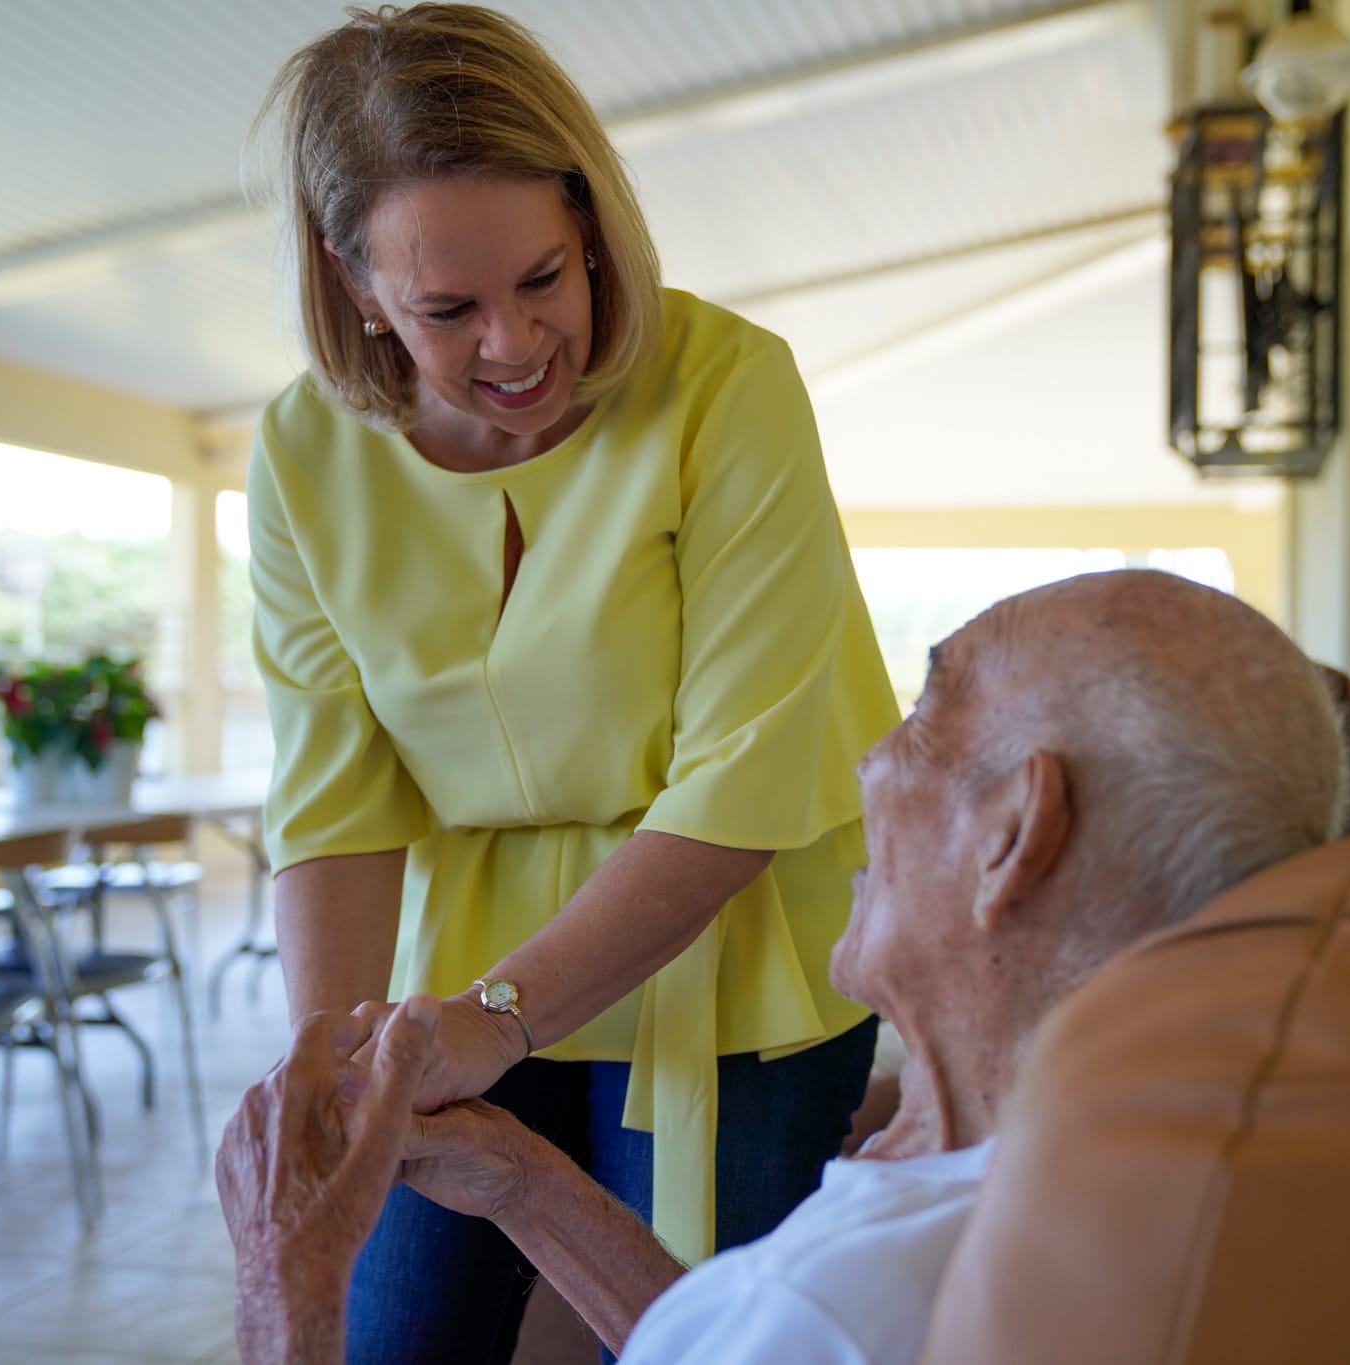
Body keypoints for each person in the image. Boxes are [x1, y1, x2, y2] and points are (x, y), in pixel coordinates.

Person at [217, 569, 1350, 1364]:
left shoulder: (859, 1293)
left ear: (1010, 838)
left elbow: (804, 1325)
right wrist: (525, 1184)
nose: (862, 763)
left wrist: (288, 1288)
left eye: (924, 719)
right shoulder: (1094, 1160)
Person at [241, 5, 898, 1358]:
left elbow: (744, 772)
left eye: (547, 275)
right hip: (464, 959)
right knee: (402, 1332)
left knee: (707, 1337)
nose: (515, 343)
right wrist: (334, 1072)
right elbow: (336, 800)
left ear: (593, 224)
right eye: (447, 308)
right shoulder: (302, 452)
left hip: (746, 940)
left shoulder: (730, 385)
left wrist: (498, 1019)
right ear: (353, 283)